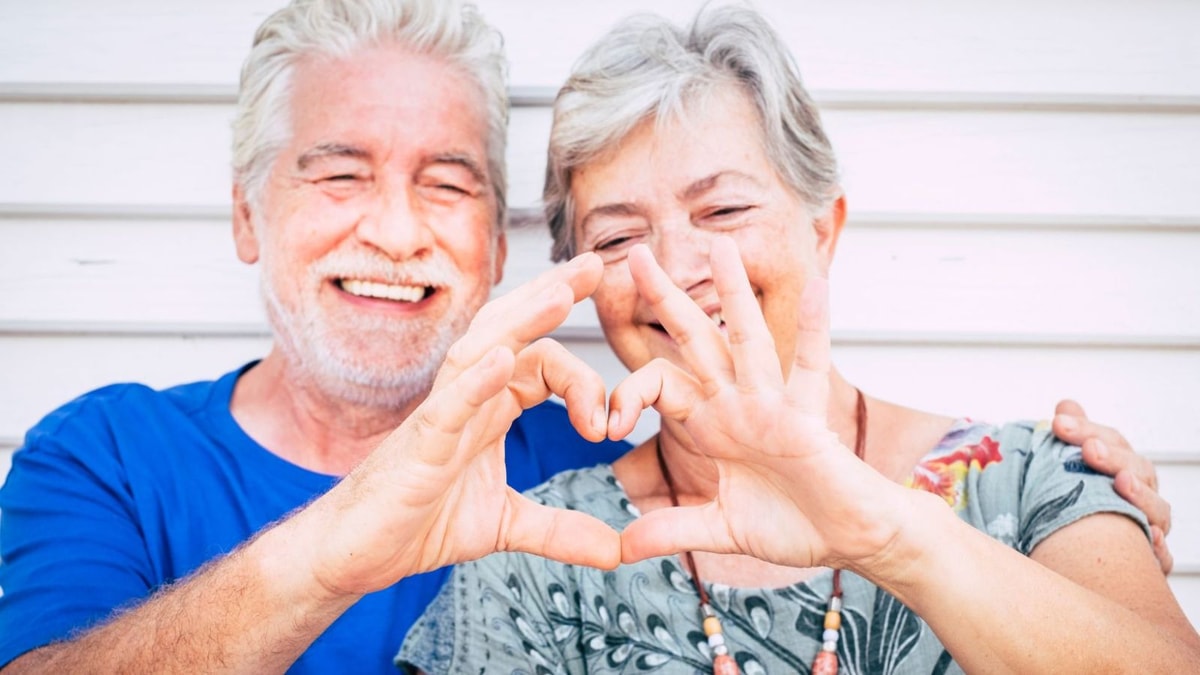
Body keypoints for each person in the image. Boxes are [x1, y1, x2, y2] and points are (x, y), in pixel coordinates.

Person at [0, 0, 1173, 673]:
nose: (396, 230)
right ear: (247, 211)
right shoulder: (106, 458)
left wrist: (904, 520)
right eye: (339, 171)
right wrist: (344, 547)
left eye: (448, 181)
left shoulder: (579, 460)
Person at [396, 5, 1200, 673]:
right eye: (616, 241)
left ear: (824, 230)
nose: (673, 272)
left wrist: (888, 534)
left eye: (722, 212)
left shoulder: (1033, 479)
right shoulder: (537, 555)